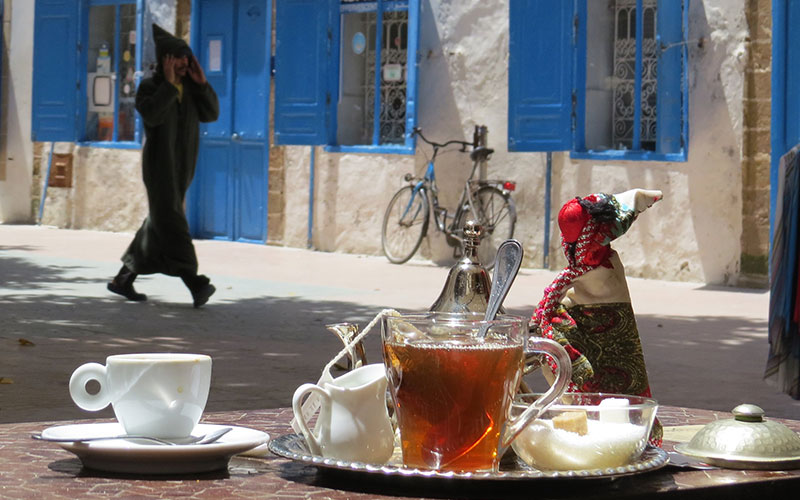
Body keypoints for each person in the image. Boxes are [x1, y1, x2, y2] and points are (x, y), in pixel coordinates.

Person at [107, 24, 219, 308]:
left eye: (186, 57)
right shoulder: (151, 87)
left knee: (159, 222)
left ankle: (123, 279)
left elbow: (211, 114)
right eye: (178, 58)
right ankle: (195, 282)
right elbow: (152, 116)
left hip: (184, 167)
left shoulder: (192, 87)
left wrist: (202, 84)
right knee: (172, 220)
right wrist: (168, 86)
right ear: (166, 59)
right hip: (159, 168)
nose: (183, 63)